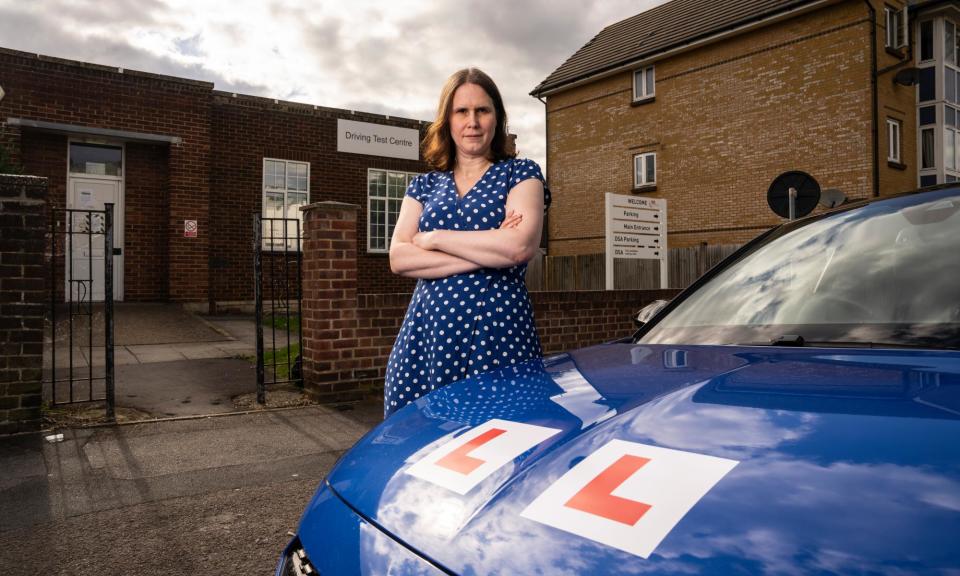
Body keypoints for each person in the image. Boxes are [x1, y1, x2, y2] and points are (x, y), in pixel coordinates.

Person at [384, 67, 550, 418]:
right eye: (462, 111)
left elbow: (520, 248)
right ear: (447, 120)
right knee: (419, 452)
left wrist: (433, 239)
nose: (472, 121)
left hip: (498, 335)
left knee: (499, 446)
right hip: (426, 336)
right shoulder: (424, 186)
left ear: (497, 118)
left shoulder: (521, 174)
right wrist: (491, 249)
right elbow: (399, 258)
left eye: (482, 110)